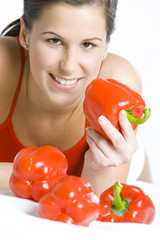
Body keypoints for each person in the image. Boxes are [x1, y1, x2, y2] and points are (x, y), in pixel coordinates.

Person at [0, 0, 141, 197]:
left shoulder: (118, 82)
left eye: (87, 44)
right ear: (25, 34)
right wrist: (50, 179)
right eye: (54, 41)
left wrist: (97, 167)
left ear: (106, 45)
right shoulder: (2, 64)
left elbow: (100, 201)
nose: (69, 66)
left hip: (136, 168)